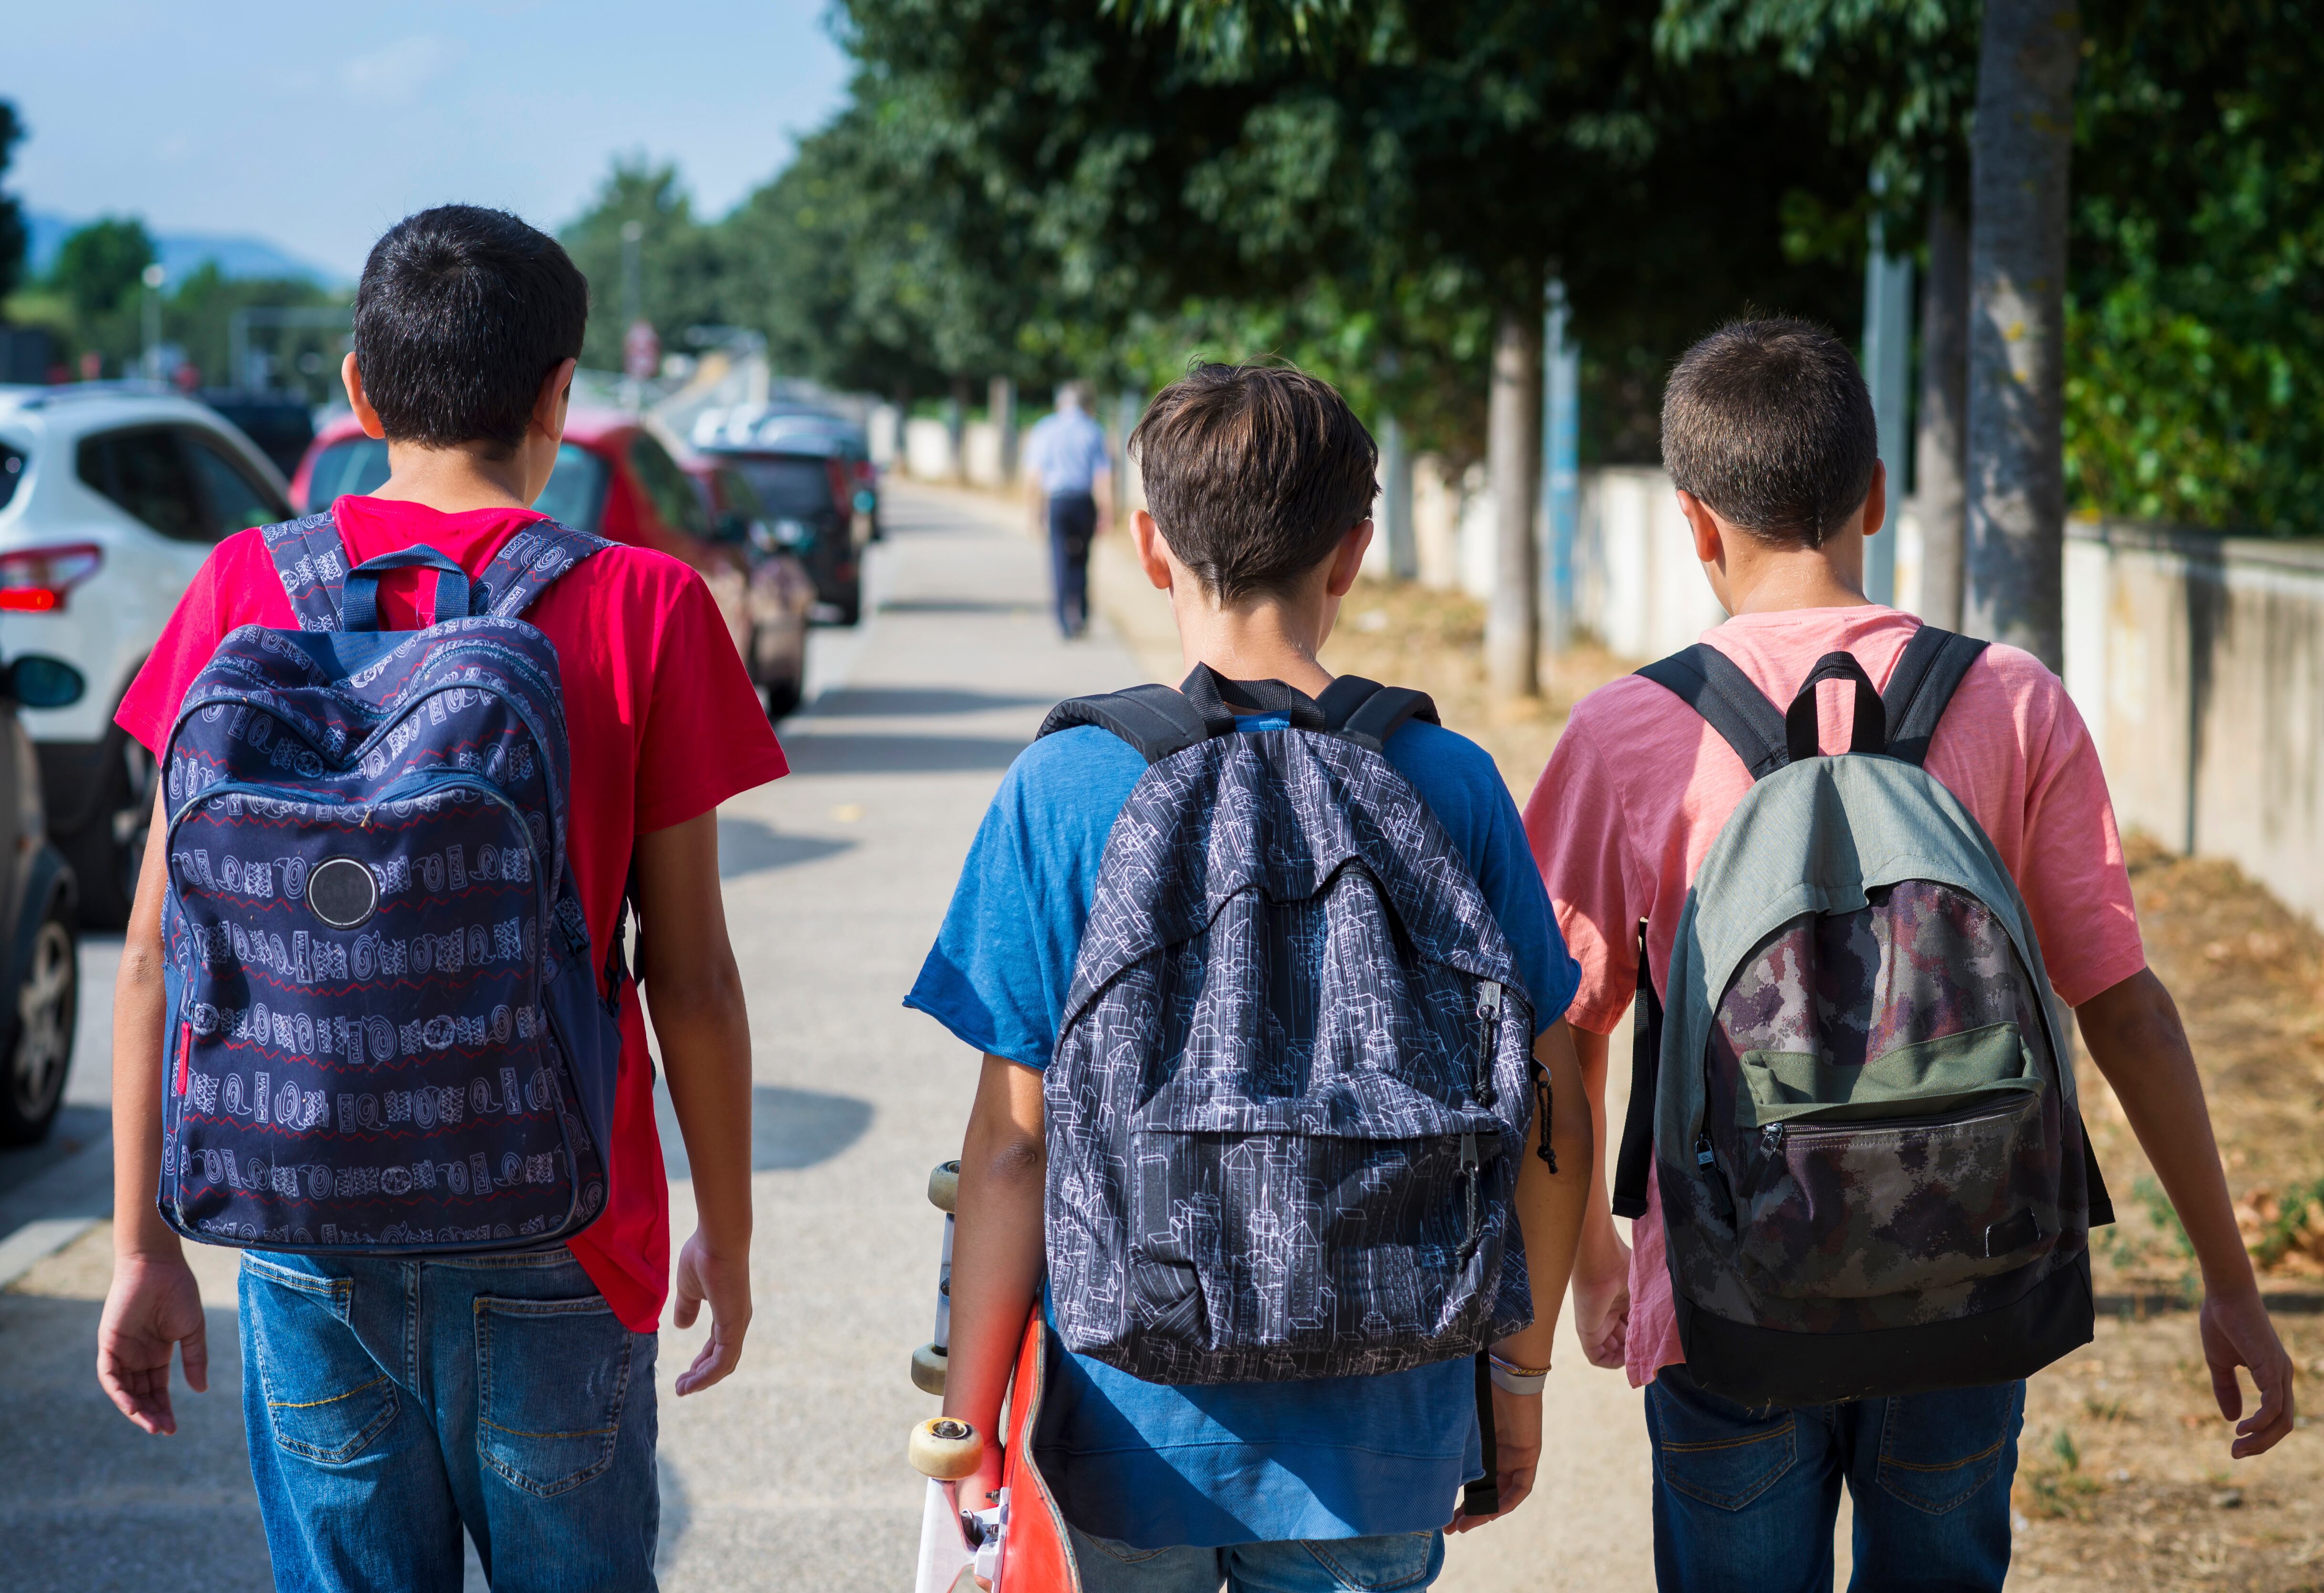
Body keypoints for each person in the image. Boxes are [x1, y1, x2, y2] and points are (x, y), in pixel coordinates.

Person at [1526, 317, 2295, 1592]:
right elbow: (2127, 1009)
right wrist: (2231, 1282)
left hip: (1728, 1304)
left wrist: (1583, 1275)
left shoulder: (1629, 730)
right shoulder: (2015, 701)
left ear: (1694, 524)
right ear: (1876, 495)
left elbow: (1562, 1035)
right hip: (1969, 1279)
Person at [94, 205, 788, 1593]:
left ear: (358, 392)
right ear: (558, 395)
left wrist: (139, 1241)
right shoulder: (645, 603)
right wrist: (727, 1225)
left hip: (303, 1214)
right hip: (562, 1224)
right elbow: (691, 973)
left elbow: (155, 953)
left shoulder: (243, 584)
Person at [907, 361, 1606, 1591]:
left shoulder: (1065, 787)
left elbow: (1013, 1148)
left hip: (1122, 1429)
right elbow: (1550, 1118)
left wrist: (967, 1427)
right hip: (1384, 1429)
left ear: (1148, 546)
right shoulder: (1448, 781)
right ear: (1353, 553)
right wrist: (1518, 1376)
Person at [1023, 380, 1111, 638]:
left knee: (1058, 559)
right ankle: (1081, 614)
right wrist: (1106, 511)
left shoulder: (1045, 428)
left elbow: (1033, 475)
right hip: (1084, 502)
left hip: (1057, 502)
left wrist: (1033, 511)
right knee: (1082, 558)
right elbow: (1103, 476)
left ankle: (1062, 619)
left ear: (1061, 403)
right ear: (1085, 404)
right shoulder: (1093, 430)